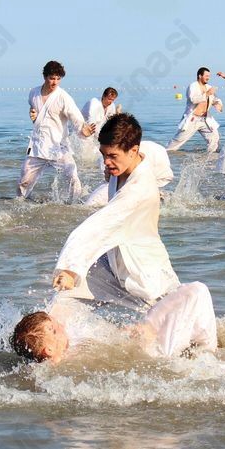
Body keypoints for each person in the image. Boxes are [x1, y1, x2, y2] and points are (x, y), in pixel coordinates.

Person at [52, 113, 180, 309]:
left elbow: (98, 226)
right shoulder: (135, 157)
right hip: (114, 262)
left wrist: (69, 269)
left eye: (112, 156)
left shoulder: (137, 190)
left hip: (144, 274)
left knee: (170, 319)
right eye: (104, 154)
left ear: (133, 151)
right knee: (64, 297)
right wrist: (113, 171)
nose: (106, 162)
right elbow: (155, 155)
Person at [11, 281, 218, 363]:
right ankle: (208, 357)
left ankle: (207, 353)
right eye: (54, 330)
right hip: (155, 354)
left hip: (147, 344)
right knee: (195, 291)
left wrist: (127, 334)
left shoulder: (70, 341)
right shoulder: (68, 361)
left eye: (54, 322)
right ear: (48, 350)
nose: (60, 325)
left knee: (195, 294)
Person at [17, 61, 96, 202]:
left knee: (73, 177)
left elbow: (76, 117)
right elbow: (35, 111)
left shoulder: (63, 97)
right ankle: (19, 204)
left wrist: (84, 130)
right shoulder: (33, 93)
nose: (55, 82)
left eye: (58, 79)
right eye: (52, 78)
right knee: (24, 182)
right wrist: (33, 116)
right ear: (45, 77)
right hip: (38, 145)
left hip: (58, 146)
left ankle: (75, 204)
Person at [83, 139, 173, 207]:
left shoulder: (149, 167)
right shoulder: (111, 156)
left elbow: (165, 177)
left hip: (157, 166)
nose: (106, 162)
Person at [166, 67, 223, 153]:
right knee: (177, 141)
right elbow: (193, 99)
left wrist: (218, 104)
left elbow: (216, 99)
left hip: (205, 119)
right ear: (200, 76)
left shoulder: (209, 87)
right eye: (206, 76)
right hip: (193, 119)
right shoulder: (192, 86)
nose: (208, 78)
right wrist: (207, 94)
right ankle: (165, 152)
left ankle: (211, 157)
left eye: (209, 76)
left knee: (215, 139)